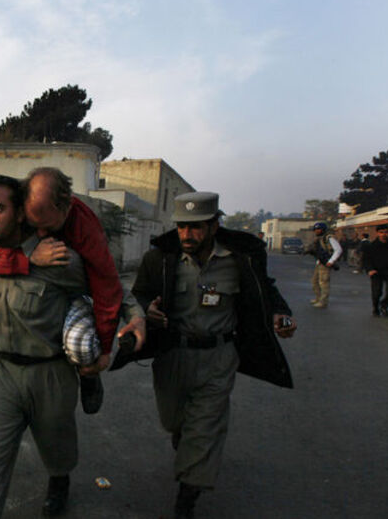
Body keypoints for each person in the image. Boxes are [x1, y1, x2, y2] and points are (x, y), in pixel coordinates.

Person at [0, 174, 140, 518]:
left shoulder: (58, 258)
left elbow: (108, 285)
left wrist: (135, 315)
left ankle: (60, 479)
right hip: (4, 371)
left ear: (20, 213)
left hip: (51, 372)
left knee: (56, 446)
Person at [116, 191, 297, 519]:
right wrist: (147, 310)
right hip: (173, 354)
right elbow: (139, 295)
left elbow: (264, 288)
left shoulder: (240, 258)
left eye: (196, 227)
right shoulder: (160, 258)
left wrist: (278, 313)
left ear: (214, 225)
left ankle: (187, 497)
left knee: (206, 427)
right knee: (174, 421)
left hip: (219, 356)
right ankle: (186, 443)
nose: (187, 235)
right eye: (182, 227)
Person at [0, 167, 145, 414]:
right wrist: (26, 259)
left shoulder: (80, 234)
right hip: (9, 350)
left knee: (82, 345)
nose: (42, 236)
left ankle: (87, 376)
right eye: (35, 228)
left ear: (66, 207)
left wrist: (107, 345)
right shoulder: (2, 225)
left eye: (47, 226)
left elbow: (107, 284)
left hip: (72, 300)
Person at [307, 222, 342, 308]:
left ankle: (323, 301)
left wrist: (331, 261)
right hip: (319, 263)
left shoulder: (329, 238)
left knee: (324, 283)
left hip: (325, 263)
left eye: (318, 229)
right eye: (315, 229)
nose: (316, 231)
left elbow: (338, 250)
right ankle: (318, 298)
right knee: (314, 282)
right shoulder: (319, 239)